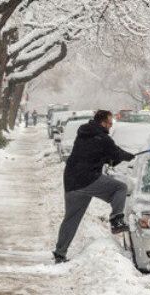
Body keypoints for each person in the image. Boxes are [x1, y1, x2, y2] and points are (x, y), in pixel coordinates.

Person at [53, 109, 134, 263]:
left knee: (71, 218)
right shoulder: (103, 138)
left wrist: (111, 158)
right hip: (88, 179)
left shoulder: (84, 133)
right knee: (120, 188)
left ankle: (60, 253)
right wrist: (128, 156)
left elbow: (98, 155)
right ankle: (116, 220)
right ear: (102, 122)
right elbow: (115, 153)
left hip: (71, 180)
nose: (111, 126)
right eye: (109, 123)